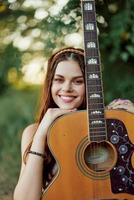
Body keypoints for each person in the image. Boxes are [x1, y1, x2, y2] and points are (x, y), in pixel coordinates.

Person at [13, 47, 134, 200]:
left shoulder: (114, 127)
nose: (67, 88)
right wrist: (42, 133)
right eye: (59, 80)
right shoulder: (33, 132)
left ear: (90, 86)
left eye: (78, 81)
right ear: (50, 84)